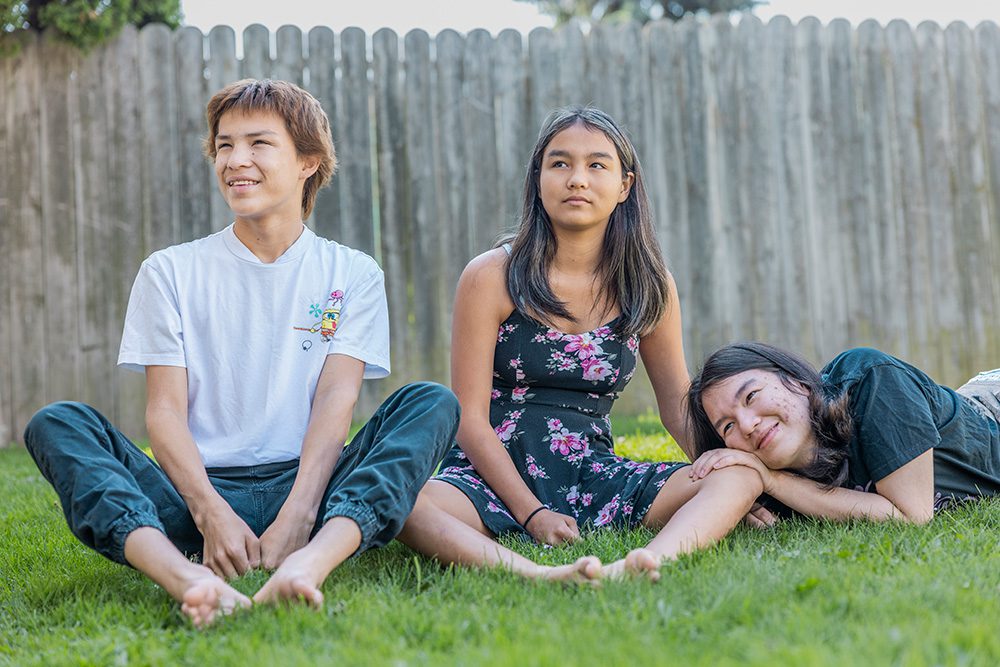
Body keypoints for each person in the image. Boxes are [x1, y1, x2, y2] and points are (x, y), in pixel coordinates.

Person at [23, 79, 459, 627]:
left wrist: (301, 511)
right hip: (192, 497)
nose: (235, 160)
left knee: (430, 402)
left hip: (313, 490)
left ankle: (310, 563)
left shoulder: (352, 273)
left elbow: (336, 399)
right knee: (59, 423)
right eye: (224, 145)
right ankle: (187, 577)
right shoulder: (170, 271)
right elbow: (163, 411)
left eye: (258, 143)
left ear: (308, 162)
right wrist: (209, 513)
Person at [396, 106, 765, 580]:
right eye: (560, 163)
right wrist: (531, 514)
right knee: (399, 496)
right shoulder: (491, 276)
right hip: (487, 475)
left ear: (624, 186)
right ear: (538, 179)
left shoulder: (650, 285)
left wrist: (716, 479)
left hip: (595, 477)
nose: (577, 179)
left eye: (597, 165)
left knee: (739, 475)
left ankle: (647, 562)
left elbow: (677, 403)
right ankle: (530, 573)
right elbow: (468, 417)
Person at [686, 343, 1000, 523]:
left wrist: (775, 482)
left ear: (796, 380)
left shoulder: (872, 380)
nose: (747, 424)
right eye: (727, 426)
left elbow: (911, 515)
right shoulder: (765, 471)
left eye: (751, 396)